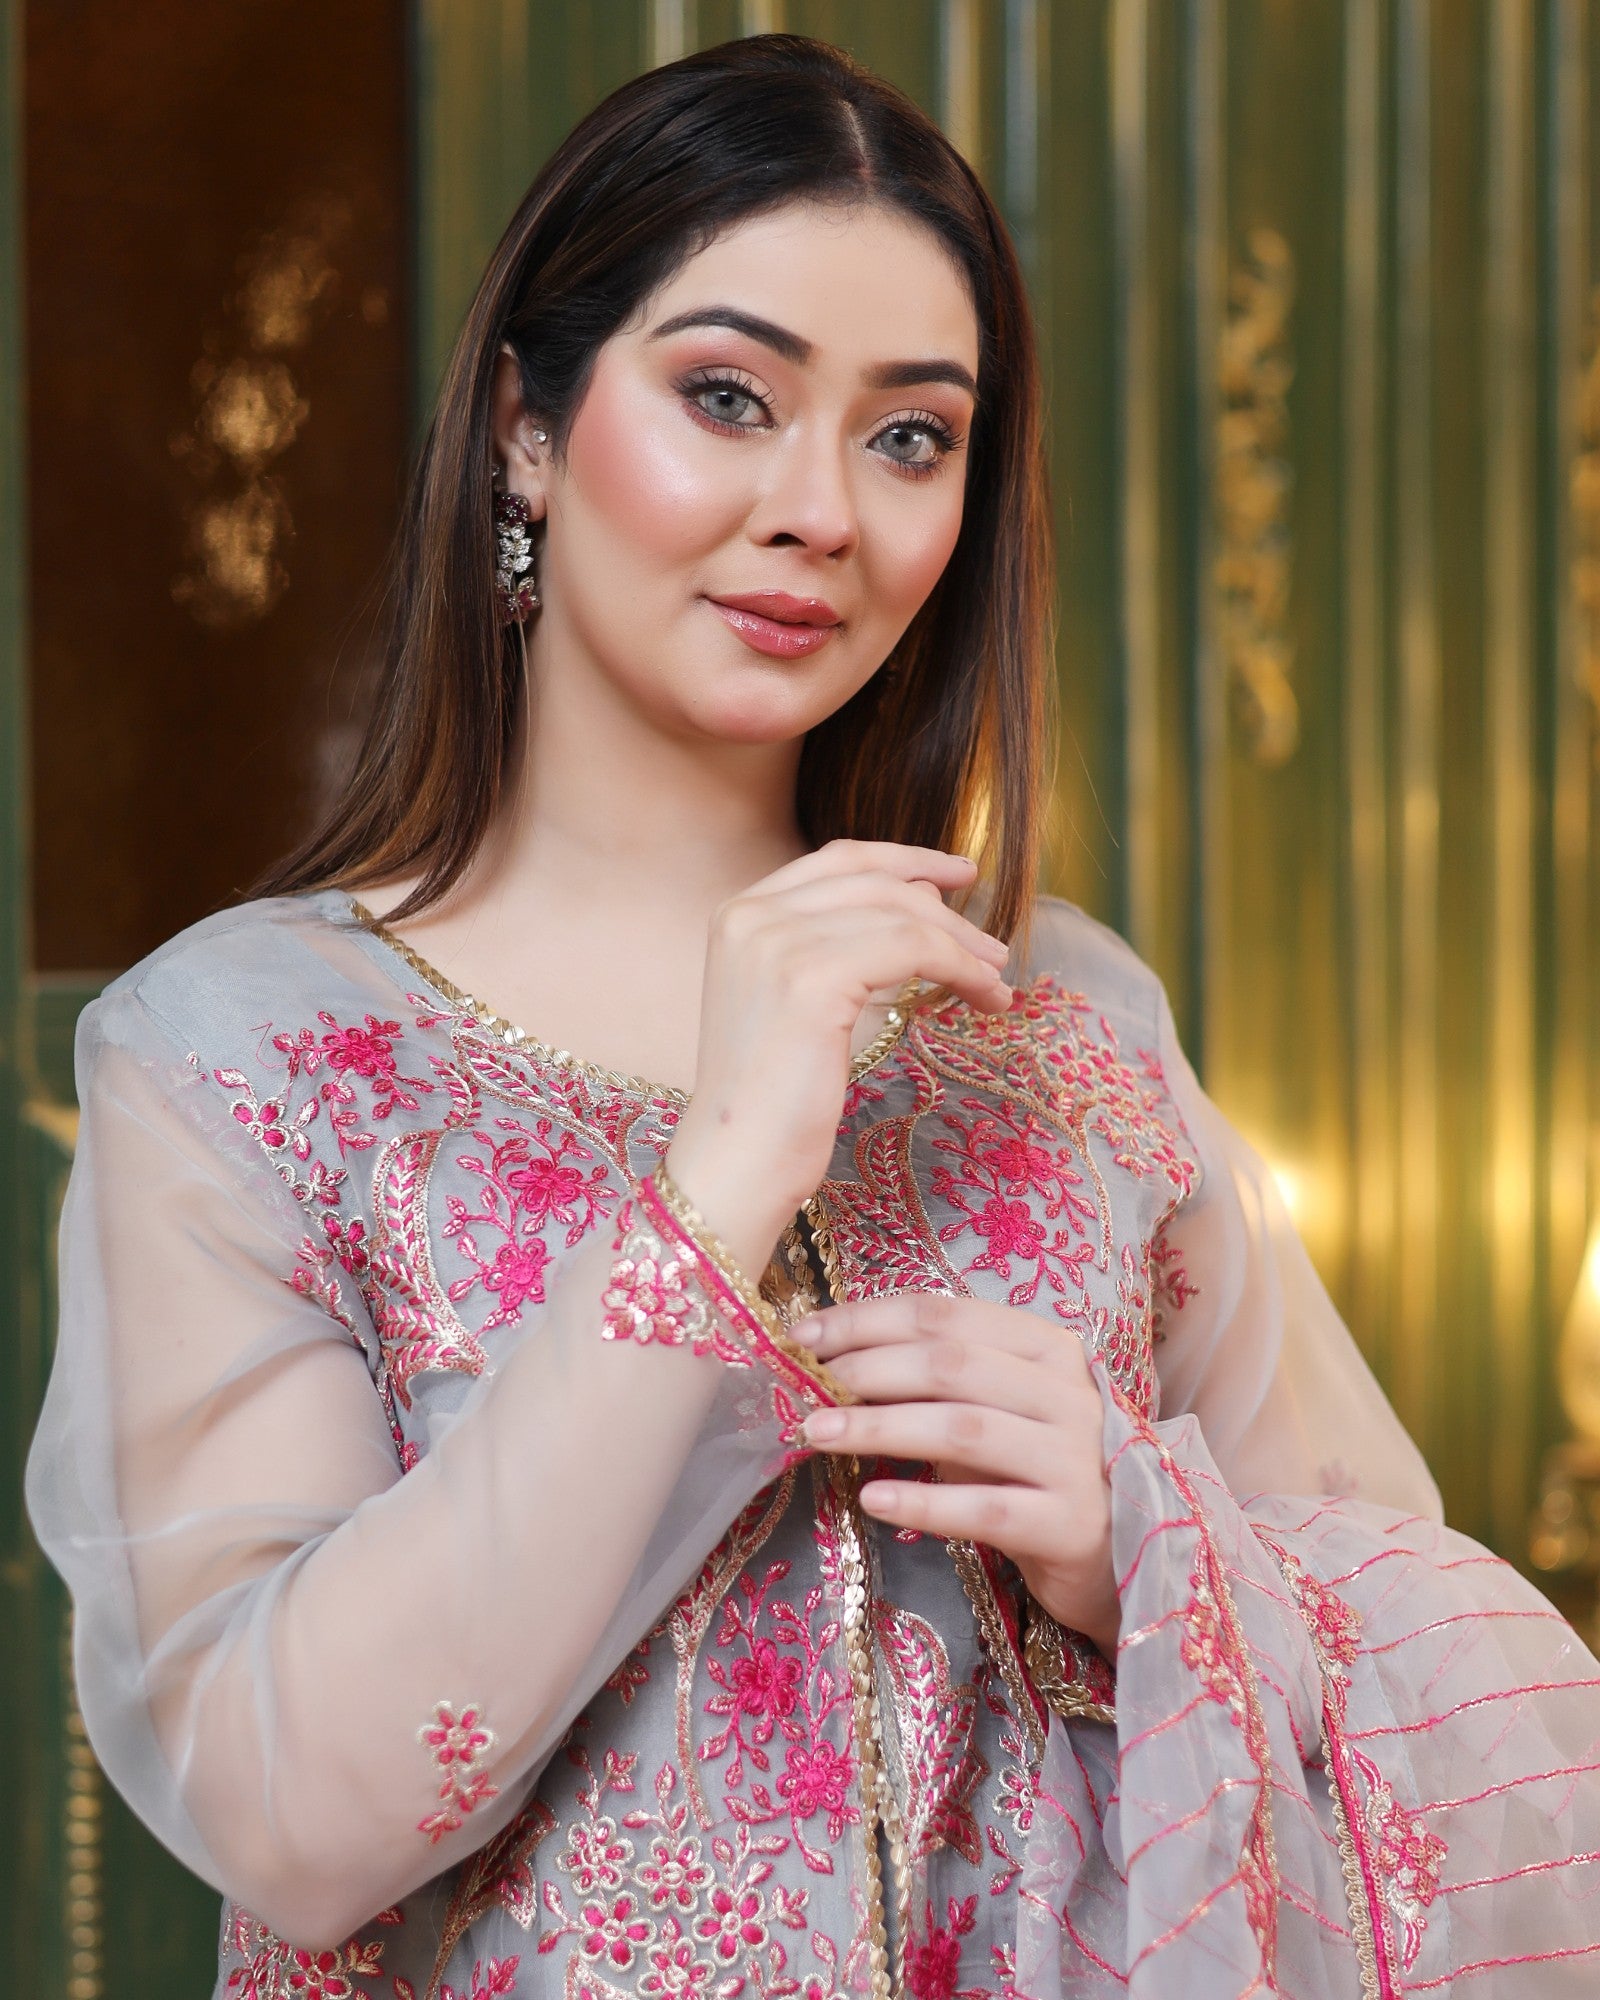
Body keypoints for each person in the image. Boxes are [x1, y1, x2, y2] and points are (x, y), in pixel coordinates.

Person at [25, 33, 1600, 2000]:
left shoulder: (1063, 1019)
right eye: (725, 396)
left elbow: (1436, 1668)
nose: (819, 510)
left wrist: (1140, 1546)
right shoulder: (240, 1052)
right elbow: (290, 1806)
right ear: (526, 426)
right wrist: (713, 1184)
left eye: (908, 436)